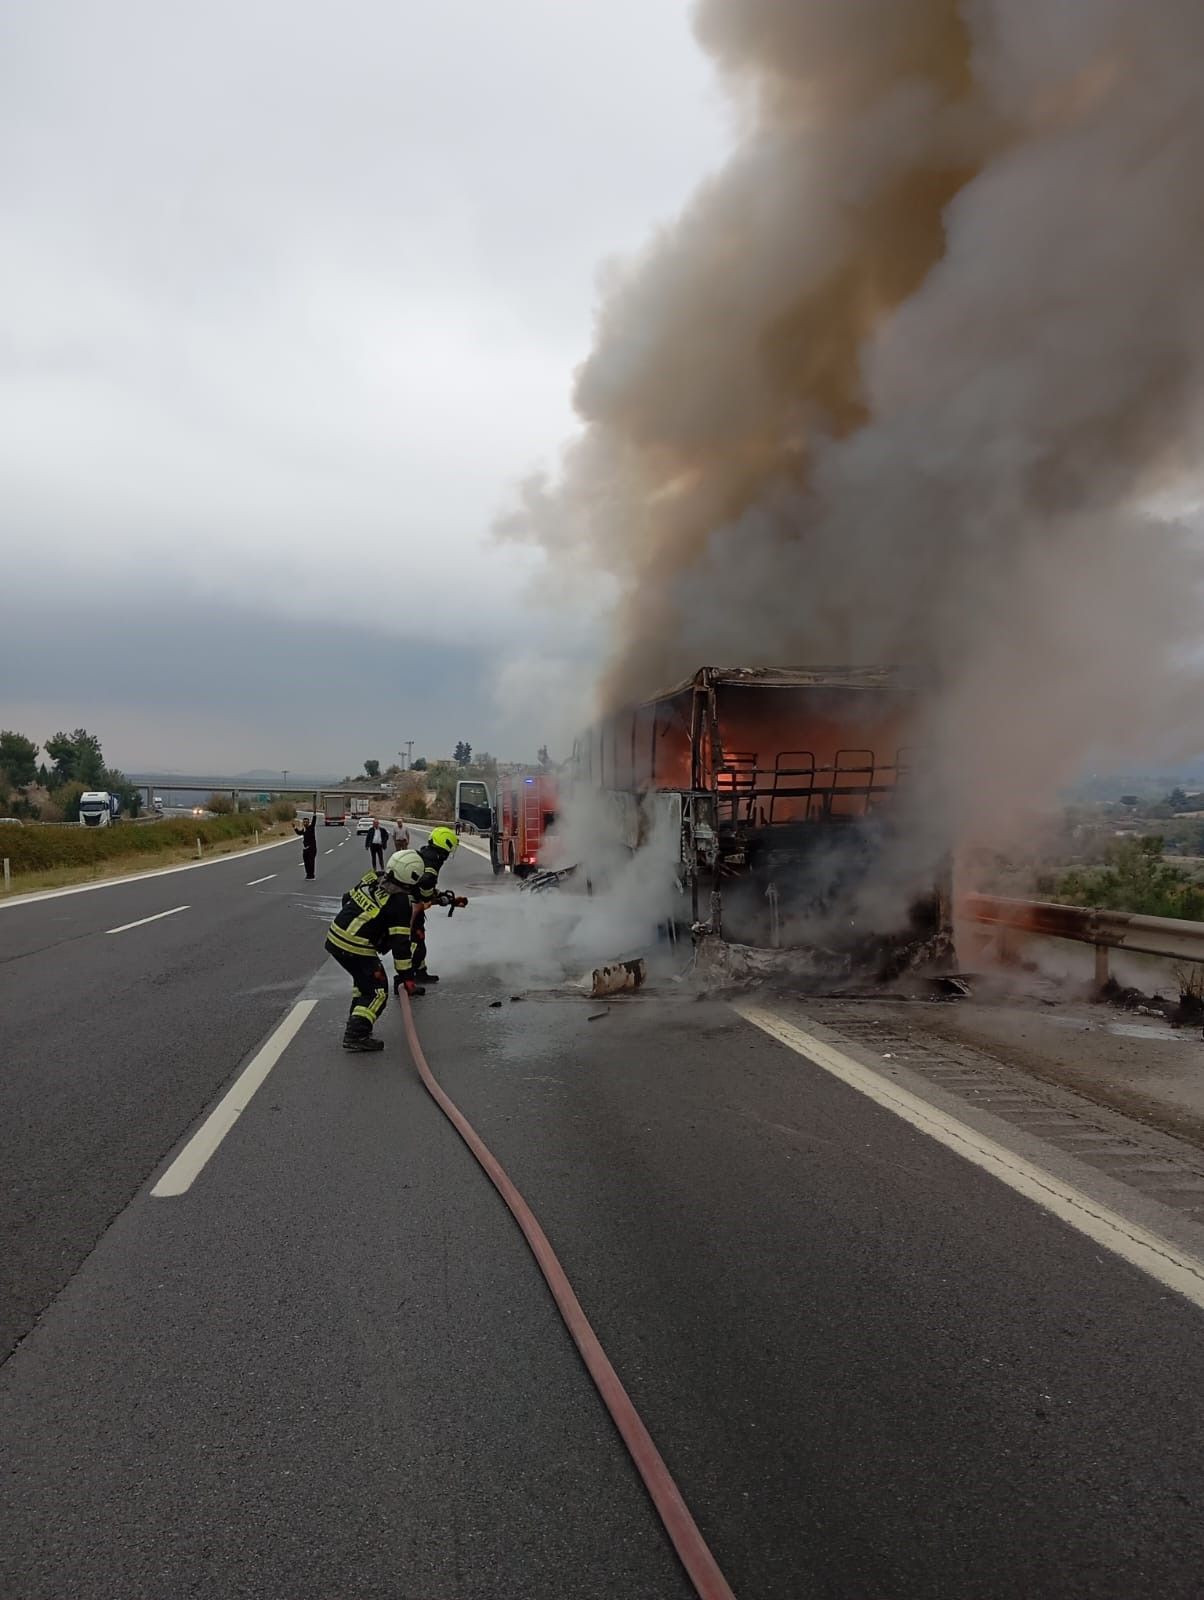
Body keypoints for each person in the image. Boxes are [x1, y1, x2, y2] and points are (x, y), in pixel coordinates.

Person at [325, 849, 428, 1052]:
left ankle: (357, 1021)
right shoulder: (399, 902)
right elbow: (400, 944)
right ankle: (356, 1034)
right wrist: (407, 977)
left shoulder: (372, 877)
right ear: (412, 877)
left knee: (364, 984)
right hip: (355, 946)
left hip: (336, 937)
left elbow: (347, 898)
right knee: (378, 991)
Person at [406, 825, 463, 984]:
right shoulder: (432, 865)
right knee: (416, 942)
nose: (448, 855)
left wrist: (440, 895)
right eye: (448, 850)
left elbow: (426, 888)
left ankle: (420, 971)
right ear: (443, 848)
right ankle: (408, 976)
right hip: (410, 908)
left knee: (418, 940)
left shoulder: (427, 855)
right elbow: (425, 894)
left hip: (411, 905)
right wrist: (440, 900)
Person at [294, 810, 318, 879]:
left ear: (308, 823)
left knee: (311, 862)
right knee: (306, 862)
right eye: (304, 822)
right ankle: (308, 874)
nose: (305, 823)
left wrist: (314, 815)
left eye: (306, 822)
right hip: (306, 849)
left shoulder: (311, 828)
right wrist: (295, 828)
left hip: (312, 849)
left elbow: (313, 822)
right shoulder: (304, 829)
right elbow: (299, 833)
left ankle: (312, 875)